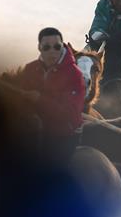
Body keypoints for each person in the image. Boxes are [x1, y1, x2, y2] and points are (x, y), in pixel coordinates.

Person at [17, 27, 86, 164]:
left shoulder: (75, 75)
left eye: (57, 47)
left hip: (63, 135)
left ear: (62, 46)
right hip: (34, 131)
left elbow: (69, 113)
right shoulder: (30, 69)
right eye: (47, 47)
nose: (52, 52)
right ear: (39, 48)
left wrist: (39, 99)